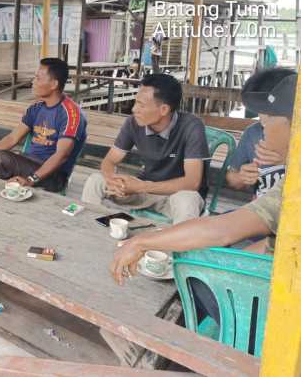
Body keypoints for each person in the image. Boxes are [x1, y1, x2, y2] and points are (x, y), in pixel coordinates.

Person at [110, 68, 298, 287]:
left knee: (203, 282)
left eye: (265, 123)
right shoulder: (133, 125)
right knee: (213, 267)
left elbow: (221, 229)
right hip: (267, 238)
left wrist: (141, 242)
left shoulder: (190, 126)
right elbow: (265, 242)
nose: (262, 131)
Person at [82, 74, 208, 224]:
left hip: (175, 195)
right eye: (136, 103)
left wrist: (141, 186)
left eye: (141, 105)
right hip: (143, 191)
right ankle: (87, 226)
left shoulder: (192, 127)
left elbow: (192, 183)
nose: (134, 109)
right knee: (96, 181)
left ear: (164, 109)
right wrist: (112, 180)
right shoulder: (133, 123)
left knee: (187, 200)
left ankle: (177, 245)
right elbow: (109, 161)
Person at [0, 58, 87, 193]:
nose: (33, 82)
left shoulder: (71, 114)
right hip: (26, 163)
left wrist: (30, 180)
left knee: (1, 158)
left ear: (54, 84)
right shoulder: (36, 107)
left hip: (53, 176)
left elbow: (61, 156)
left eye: (38, 78)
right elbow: (12, 138)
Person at [225, 69, 293, 198]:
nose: (262, 116)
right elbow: (231, 178)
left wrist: (286, 160)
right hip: (261, 209)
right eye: (258, 109)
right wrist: (241, 177)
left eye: (271, 113)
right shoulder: (253, 133)